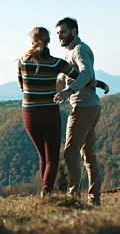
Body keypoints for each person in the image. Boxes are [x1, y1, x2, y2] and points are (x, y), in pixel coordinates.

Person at [17, 27, 88, 198]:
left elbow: (21, 87)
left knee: (43, 156)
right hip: (49, 112)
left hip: (29, 114)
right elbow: (78, 75)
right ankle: (46, 192)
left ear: (31, 41)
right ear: (48, 41)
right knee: (52, 158)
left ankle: (45, 191)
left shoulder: (22, 61)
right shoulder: (56, 63)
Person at [53, 17, 105, 206]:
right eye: (58, 33)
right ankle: (94, 199)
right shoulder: (70, 53)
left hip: (83, 106)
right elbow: (65, 79)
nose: (60, 36)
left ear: (74, 31)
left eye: (63, 32)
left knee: (70, 152)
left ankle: (74, 197)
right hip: (90, 105)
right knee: (87, 153)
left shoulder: (79, 49)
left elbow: (86, 73)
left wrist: (69, 91)